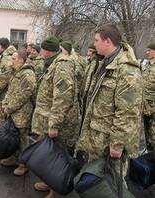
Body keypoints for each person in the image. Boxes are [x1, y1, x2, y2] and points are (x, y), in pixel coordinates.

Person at [76, 24, 143, 187]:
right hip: (97, 137)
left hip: (110, 142)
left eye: (97, 40)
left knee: (113, 184)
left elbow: (127, 112)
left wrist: (117, 144)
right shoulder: (105, 63)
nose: (95, 44)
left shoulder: (127, 69)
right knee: (96, 181)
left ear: (108, 41)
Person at [32, 36, 80, 198]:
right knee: (51, 155)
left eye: (41, 49)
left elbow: (63, 98)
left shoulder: (62, 66)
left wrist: (54, 125)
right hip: (51, 118)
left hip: (61, 121)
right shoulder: (54, 63)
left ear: (46, 50)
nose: (39, 52)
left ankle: (56, 191)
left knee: (58, 158)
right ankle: (49, 183)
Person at [1, 50, 37, 175]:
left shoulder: (27, 74)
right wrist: (6, 104)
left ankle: (23, 164)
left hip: (22, 112)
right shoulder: (17, 72)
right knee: (14, 136)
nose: (11, 61)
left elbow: (23, 95)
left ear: (21, 60)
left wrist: (9, 107)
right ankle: (14, 158)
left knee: (23, 138)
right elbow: (11, 91)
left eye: (14, 59)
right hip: (13, 110)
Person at [142, 41, 155, 150]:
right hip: (146, 105)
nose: (147, 53)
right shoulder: (147, 65)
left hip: (153, 105)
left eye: (149, 50)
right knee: (147, 133)